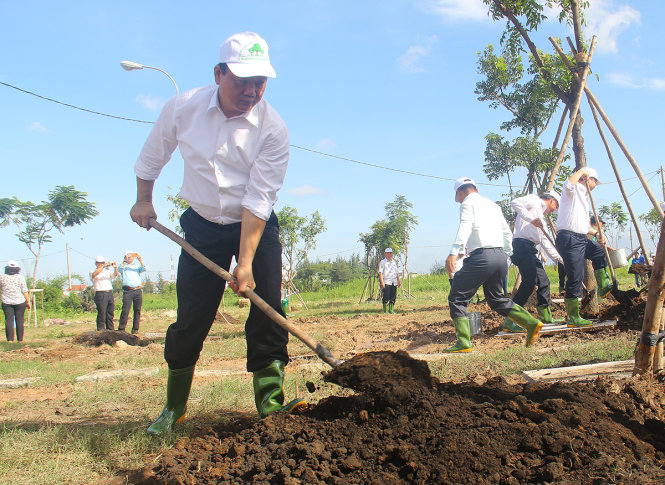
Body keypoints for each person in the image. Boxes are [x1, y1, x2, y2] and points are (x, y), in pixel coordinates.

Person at [130, 31, 304, 436]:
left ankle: (270, 402)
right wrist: (143, 200)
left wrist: (246, 263)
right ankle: (174, 408)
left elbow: (259, 200)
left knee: (268, 309)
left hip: (255, 227)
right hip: (202, 225)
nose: (252, 90)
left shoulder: (273, 129)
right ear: (218, 73)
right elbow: (152, 155)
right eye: (243, 80)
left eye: (260, 82)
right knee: (192, 316)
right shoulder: (183, 107)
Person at [444, 177, 543, 352]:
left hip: (482, 256)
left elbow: (465, 227)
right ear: (476, 189)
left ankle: (464, 342)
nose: (456, 199)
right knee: (497, 299)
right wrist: (505, 254)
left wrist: (454, 252)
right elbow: (506, 231)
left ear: (459, 192)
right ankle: (531, 323)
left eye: (456, 196)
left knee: (457, 297)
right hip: (499, 257)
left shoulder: (467, 204)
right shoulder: (493, 205)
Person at [555, 167, 613, 327]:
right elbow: (567, 185)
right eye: (595, 181)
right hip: (569, 238)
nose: (595, 185)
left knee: (598, 251)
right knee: (576, 276)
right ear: (588, 179)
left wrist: (598, 234)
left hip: (580, 238)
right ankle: (573, 317)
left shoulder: (584, 198)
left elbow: (584, 226)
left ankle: (603, 285)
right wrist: (582, 171)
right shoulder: (573, 191)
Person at [501, 191, 564, 333]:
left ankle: (546, 317)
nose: (553, 211)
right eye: (555, 207)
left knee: (544, 281)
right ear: (552, 201)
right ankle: (511, 320)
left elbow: (546, 243)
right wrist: (531, 219)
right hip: (521, 245)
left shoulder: (542, 218)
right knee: (529, 283)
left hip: (529, 248)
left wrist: (561, 260)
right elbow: (515, 202)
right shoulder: (534, 200)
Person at [0, 260, 31, 342]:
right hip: (20, 302)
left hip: (6, 302)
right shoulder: (20, 277)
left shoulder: (2, 277)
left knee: (9, 320)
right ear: (17, 269)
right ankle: (20, 340)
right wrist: (28, 302)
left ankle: (10, 340)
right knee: (20, 320)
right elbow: (24, 290)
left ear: (7, 268)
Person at [117, 251, 146, 334]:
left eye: (132, 256)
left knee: (137, 310)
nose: (131, 258)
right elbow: (120, 269)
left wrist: (139, 258)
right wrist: (124, 261)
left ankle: (135, 329)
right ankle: (121, 329)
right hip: (128, 290)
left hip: (138, 290)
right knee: (125, 309)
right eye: (129, 257)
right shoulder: (123, 266)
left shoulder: (136, 266)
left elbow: (144, 268)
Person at [91, 256, 118, 331]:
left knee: (110, 312)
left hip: (109, 292)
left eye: (102, 263)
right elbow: (94, 275)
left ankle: (110, 329)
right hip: (100, 293)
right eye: (99, 263)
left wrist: (115, 268)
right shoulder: (93, 272)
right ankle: (101, 329)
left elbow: (114, 275)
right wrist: (104, 266)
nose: (101, 264)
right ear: (96, 263)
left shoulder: (107, 272)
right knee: (102, 312)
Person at [378, 248, 400, 313]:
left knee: (393, 296)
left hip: (394, 281)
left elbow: (397, 272)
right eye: (388, 253)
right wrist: (382, 282)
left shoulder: (394, 262)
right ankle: (385, 310)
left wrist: (399, 281)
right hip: (386, 281)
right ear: (385, 254)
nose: (390, 254)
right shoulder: (383, 262)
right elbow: (380, 272)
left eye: (391, 253)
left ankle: (391, 310)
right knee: (386, 296)